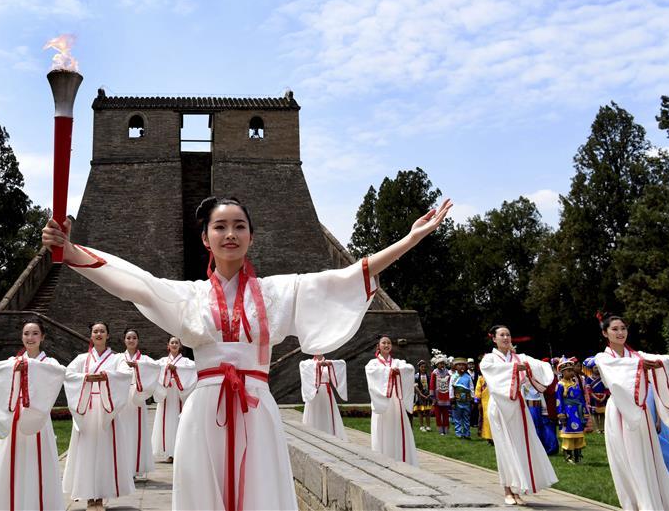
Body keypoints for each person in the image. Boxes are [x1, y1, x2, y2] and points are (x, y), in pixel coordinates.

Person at [42, 195, 452, 511]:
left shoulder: (277, 292)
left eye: (239, 226)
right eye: (220, 226)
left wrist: (410, 239)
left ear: (251, 237)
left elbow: (344, 278)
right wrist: (70, 251)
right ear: (206, 239)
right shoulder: (190, 295)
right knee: (203, 494)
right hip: (204, 410)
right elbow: (134, 282)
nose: (230, 234)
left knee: (261, 493)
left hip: (256, 406)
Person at [594, 315, 669, 511]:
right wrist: (640, 365)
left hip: (641, 412)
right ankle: (637, 504)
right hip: (619, 412)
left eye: (623, 328)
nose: (620, 332)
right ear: (605, 333)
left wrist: (666, 362)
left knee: (648, 456)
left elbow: (662, 359)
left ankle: (655, 502)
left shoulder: (637, 356)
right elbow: (619, 369)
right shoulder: (603, 358)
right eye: (615, 329)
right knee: (627, 459)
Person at [0, 320, 66, 511]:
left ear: (42, 337)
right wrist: (15, 369)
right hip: (14, 417)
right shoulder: (12, 362)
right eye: (26, 333)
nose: (30, 337)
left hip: (38, 419)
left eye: (35, 333)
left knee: (39, 463)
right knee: (11, 463)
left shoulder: (49, 363)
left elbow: (58, 372)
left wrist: (28, 367)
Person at [479, 325, 557, 506]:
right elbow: (493, 373)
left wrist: (530, 367)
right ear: (494, 339)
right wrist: (515, 368)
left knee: (520, 446)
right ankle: (507, 489)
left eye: (508, 334)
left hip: (518, 406)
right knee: (504, 448)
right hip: (499, 407)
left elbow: (541, 366)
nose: (506, 338)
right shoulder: (489, 359)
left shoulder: (520, 357)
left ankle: (518, 489)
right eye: (502, 335)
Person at [63, 321, 134, 511]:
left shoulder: (117, 358)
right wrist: (86, 378)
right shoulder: (82, 359)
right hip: (86, 408)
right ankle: (88, 496)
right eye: (95, 331)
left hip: (106, 409)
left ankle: (100, 496)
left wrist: (106, 378)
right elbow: (68, 374)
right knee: (86, 452)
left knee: (105, 451)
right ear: (91, 335)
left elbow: (126, 374)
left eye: (102, 331)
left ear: (108, 335)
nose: (99, 334)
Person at [366, 336, 417, 465]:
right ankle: (381, 458)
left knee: (397, 427)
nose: (386, 345)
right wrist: (389, 372)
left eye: (389, 343)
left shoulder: (397, 362)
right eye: (383, 343)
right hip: (382, 401)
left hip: (396, 401)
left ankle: (399, 456)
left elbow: (410, 368)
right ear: (378, 346)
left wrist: (398, 371)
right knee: (382, 429)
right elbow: (372, 372)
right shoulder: (373, 363)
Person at [118, 328, 161, 480]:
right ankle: (121, 468)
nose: (131, 340)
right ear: (124, 340)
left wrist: (137, 366)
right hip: (121, 398)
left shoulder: (145, 360)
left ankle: (134, 468)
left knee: (136, 432)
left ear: (138, 340)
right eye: (128, 338)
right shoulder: (118, 358)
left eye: (134, 337)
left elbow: (156, 369)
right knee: (121, 432)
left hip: (137, 397)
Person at [152, 336, 197, 462]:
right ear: (168, 345)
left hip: (179, 395)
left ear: (180, 345)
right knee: (166, 421)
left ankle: (181, 451)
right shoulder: (162, 361)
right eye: (172, 342)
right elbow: (152, 368)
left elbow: (193, 370)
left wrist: (176, 370)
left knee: (180, 420)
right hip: (166, 394)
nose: (174, 344)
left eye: (177, 342)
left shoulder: (187, 362)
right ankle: (169, 452)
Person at [299, 353, 348, 440]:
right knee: (314, 413)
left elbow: (342, 363)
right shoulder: (308, 363)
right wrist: (317, 364)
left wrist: (330, 364)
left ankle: (329, 433)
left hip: (326, 392)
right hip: (314, 393)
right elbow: (303, 366)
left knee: (326, 412)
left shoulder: (328, 362)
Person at [555, 356, 588, 464]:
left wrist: (584, 411)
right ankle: (568, 456)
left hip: (578, 412)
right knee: (569, 435)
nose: (571, 373)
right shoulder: (560, 385)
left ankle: (578, 456)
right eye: (568, 371)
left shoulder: (575, 384)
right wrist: (561, 414)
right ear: (562, 372)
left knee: (578, 435)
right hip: (568, 412)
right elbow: (559, 400)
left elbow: (581, 399)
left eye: (572, 370)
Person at [450, 358, 474, 439]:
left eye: (463, 365)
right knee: (457, 418)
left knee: (466, 418)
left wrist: (473, 400)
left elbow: (471, 388)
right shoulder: (453, 377)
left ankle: (467, 433)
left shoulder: (468, 377)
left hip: (467, 401)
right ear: (455, 367)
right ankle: (459, 433)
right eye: (459, 365)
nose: (461, 366)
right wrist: (452, 401)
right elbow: (451, 389)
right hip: (457, 401)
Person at [430, 351, 452, 435]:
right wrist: (432, 396)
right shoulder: (434, 373)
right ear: (436, 364)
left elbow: (450, 383)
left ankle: (446, 430)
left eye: (443, 363)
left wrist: (451, 395)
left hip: (446, 396)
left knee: (446, 414)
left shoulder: (447, 373)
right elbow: (432, 385)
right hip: (437, 397)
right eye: (440, 363)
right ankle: (440, 430)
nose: (442, 365)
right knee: (438, 415)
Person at [413, 360, 433, 432]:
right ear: (419, 367)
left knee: (427, 411)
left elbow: (430, 385)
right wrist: (421, 394)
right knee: (420, 411)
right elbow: (415, 386)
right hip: (419, 395)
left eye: (425, 367)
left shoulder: (428, 376)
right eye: (422, 367)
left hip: (427, 395)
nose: (423, 368)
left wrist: (429, 393)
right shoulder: (416, 376)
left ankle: (428, 426)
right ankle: (421, 426)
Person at [474, 372, 491, 443]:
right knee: (486, 418)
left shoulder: (494, 377)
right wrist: (477, 401)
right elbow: (477, 390)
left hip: (493, 399)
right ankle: (487, 436)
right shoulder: (481, 378)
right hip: (484, 401)